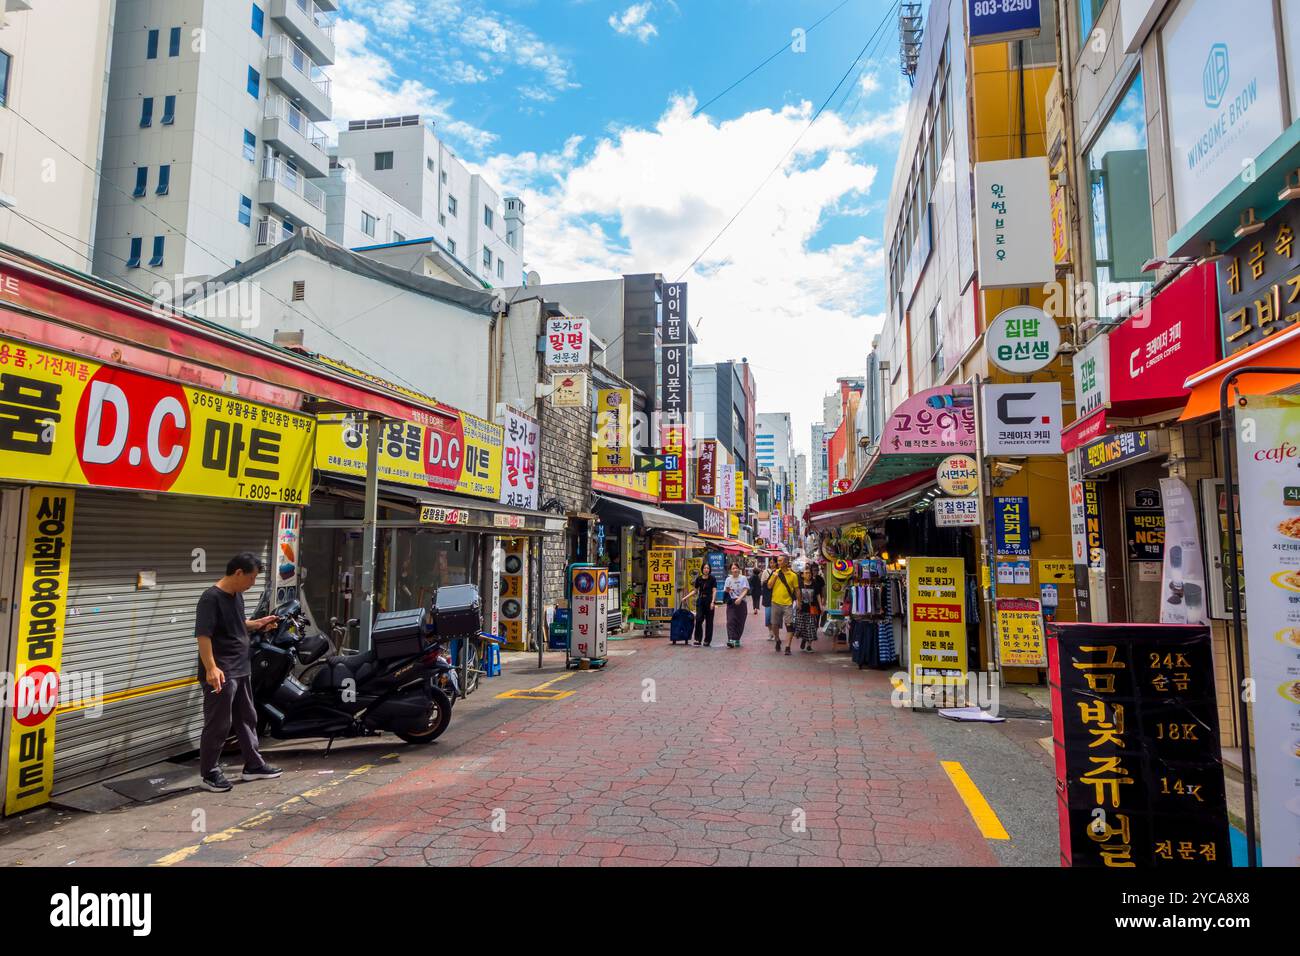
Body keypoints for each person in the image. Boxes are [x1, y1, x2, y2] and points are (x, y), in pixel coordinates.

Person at [195, 553, 282, 793]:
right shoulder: (210, 598)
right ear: (238, 573)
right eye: (251, 578)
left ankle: (253, 765)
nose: (252, 583)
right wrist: (211, 668)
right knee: (219, 724)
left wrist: (259, 623)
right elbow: (203, 635)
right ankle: (209, 772)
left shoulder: (236, 596)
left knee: (247, 718)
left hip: (241, 667)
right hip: (222, 671)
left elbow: (237, 624)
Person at [767, 555, 800, 653]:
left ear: (786, 562)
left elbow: (797, 590)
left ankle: (788, 647)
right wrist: (774, 577)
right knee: (774, 624)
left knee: (789, 625)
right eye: (778, 561)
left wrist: (799, 602)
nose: (778, 562)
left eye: (780, 561)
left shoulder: (793, 575)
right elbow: (769, 586)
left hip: (788, 603)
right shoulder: (775, 573)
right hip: (775, 602)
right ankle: (777, 640)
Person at [792, 566, 822, 654]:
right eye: (806, 573)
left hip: (812, 608)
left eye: (809, 573)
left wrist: (820, 605)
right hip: (801, 608)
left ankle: (809, 645)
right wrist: (797, 603)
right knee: (801, 627)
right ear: (802, 575)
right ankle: (804, 639)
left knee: (811, 627)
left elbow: (818, 595)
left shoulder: (814, 584)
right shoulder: (799, 584)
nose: (808, 575)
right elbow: (796, 595)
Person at [689, 562, 718, 646]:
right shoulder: (699, 579)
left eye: (708, 568)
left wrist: (713, 602)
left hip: (709, 601)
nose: (706, 570)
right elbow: (695, 591)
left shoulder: (712, 579)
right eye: (705, 568)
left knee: (709, 621)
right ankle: (698, 639)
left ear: (710, 570)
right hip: (701, 601)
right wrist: (685, 598)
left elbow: (714, 590)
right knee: (698, 619)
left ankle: (707, 640)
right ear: (702, 569)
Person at [723, 563, 750, 648]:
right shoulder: (728, 579)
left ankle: (737, 639)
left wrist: (740, 598)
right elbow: (726, 590)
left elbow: (745, 590)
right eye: (733, 568)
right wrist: (728, 590)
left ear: (739, 569)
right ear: (730, 570)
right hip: (731, 602)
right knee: (730, 621)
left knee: (740, 621)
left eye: (736, 568)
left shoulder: (743, 578)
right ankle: (730, 639)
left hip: (741, 602)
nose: (734, 570)